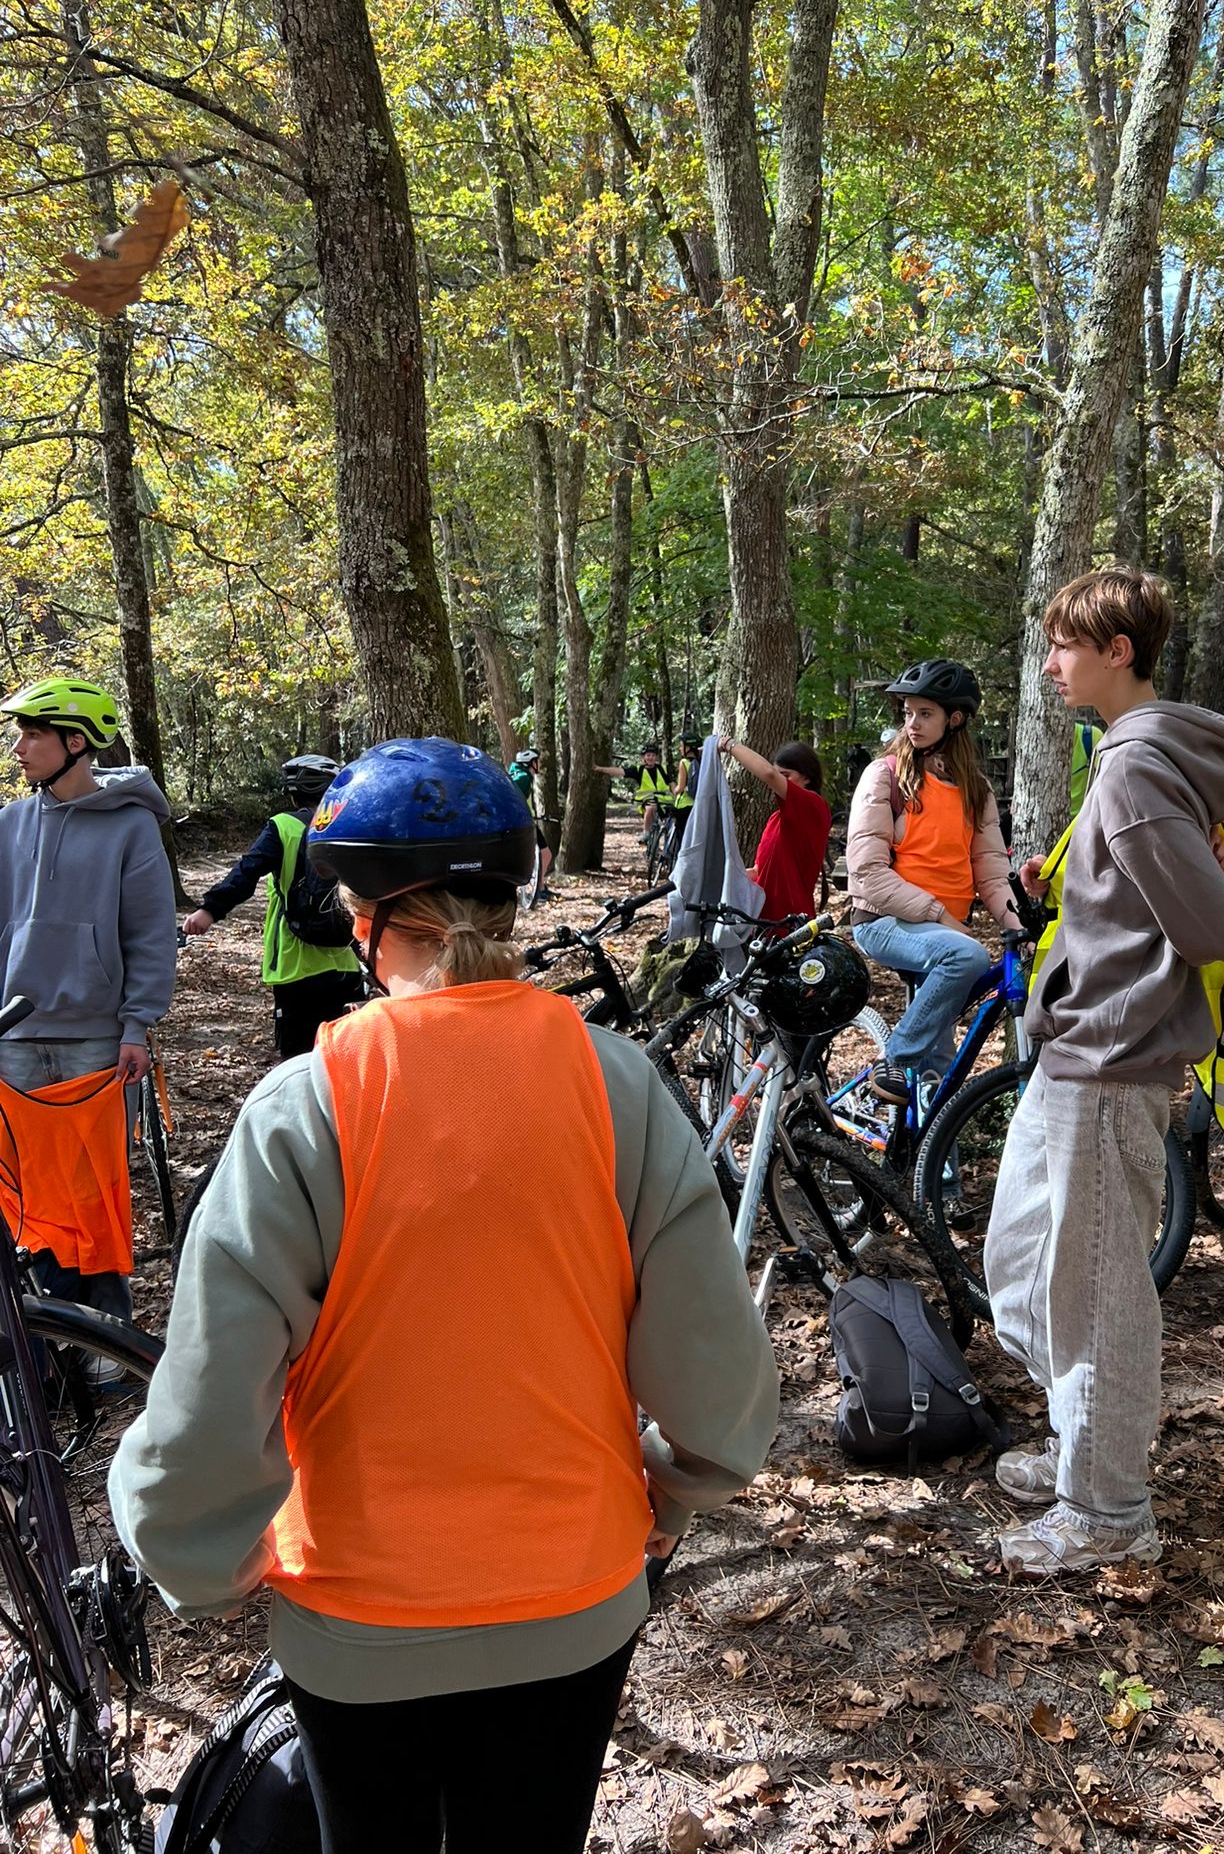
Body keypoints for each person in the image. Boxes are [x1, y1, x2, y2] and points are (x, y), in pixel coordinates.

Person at [108, 737, 778, 1854]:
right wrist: (674, 1487)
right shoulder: (618, 1083)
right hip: (576, 1599)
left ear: (365, 921)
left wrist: (197, 1557)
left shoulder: (305, 1107)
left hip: (357, 1621)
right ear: (511, 901)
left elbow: (211, 1394)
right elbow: (715, 1371)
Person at [983, 571, 1224, 1576]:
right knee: (1021, 1264)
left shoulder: (1136, 767)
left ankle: (1106, 1508)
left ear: (1119, 651)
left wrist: (1185, 897)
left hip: (1112, 1057)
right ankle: (1081, 1440)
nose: (1050, 664)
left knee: (1096, 1290)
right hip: (1075, 1050)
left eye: (1065, 645)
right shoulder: (1124, 756)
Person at [0, 676, 177, 1321]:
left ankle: (104, 1338)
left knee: (92, 1193)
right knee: (26, 1192)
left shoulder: (132, 825)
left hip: (97, 1040)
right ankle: (43, 1339)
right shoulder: (9, 823)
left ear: (76, 743)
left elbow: (151, 933)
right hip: (13, 1035)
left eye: (32, 734)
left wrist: (136, 1024)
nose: (19, 748)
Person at [845, 660, 1019, 1104]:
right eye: (908, 713)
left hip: (944, 931)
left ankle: (927, 1148)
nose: (912, 724)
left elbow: (990, 868)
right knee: (967, 956)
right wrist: (939, 914)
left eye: (925, 714)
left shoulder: (975, 789)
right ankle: (895, 1058)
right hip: (884, 921)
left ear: (954, 719)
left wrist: (1016, 922)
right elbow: (867, 872)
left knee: (939, 1070)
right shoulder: (885, 775)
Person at [184, 756, 364, 1059]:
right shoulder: (351, 828)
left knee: (299, 1061)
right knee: (346, 1057)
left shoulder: (283, 826)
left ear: (294, 794)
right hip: (347, 963)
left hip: (295, 968)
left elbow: (247, 871)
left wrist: (209, 910)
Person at [717, 738, 832, 923]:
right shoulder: (775, 820)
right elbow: (758, 871)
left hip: (791, 924)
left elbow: (769, 774)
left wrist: (728, 745)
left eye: (785, 775)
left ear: (807, 777)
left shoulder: (814, 807)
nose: (778, 781)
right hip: (762, 923)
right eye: (779, 775)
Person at [595, 742, 672, 836]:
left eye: (653, 755)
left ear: (656, 757)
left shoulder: (663, 769)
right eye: (648, 755)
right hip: (647, 800)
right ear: (643, 758)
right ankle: (646, 833)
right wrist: (599, 769)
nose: (651, 758)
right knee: (651, 808)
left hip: (664, 800)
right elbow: (619, 771)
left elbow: (672, 783)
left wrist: (676, 795)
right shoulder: (639, 770)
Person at [509, 747, 555, 904]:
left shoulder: (517, 774)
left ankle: (539, 887)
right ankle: (538, 890)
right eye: (537, 761)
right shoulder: (523, 778)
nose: (539, 764)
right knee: (545, 854)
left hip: (524, 822)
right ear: (531, 763)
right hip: (525, 824)